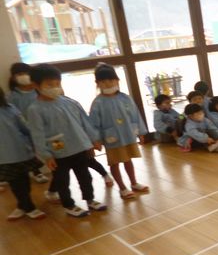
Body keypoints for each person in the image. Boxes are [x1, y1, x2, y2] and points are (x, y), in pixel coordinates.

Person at [27, 64, 106, 217]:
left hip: (79, 148)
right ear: (36, 85)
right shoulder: (35, 109)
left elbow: (85, 122)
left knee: (85, 177)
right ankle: (69, 205)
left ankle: (90, 199)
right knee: (62, 181)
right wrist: (46, 155)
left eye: (57, 83)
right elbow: (37, 135)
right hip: (58, 153)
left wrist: (93, 139)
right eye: (49, 85)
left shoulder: (70, 102)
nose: (55, 88)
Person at [90, 63, 149, 199]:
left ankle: (134, 183)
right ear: (97, 84)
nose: (108, 83)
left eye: (111, 80)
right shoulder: (98, 103)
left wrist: (141, 132)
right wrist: (96, 139)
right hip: (112, 139)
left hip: (128, 135)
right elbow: (93, 124)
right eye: (103, 81)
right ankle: (122, 188)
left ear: (117, 80)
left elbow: (135, 115)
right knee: (115, 163)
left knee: (128, 160)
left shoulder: (125, 98)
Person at [0, 87, 46, 221]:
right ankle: (29, 207)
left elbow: (25, 128)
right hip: (4, 157)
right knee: (15, 182)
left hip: (21, 151)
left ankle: (22, 206)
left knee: (24, 180)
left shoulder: (10, 109)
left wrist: (35, 143)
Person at [7, 62, 49, 184]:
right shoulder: (12, 96)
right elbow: (12, 114)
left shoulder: (38, 91)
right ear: (13, 77)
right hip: (25, 129)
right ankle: (37, 172)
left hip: (44, 125)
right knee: (31, 151)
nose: (24, 76)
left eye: (26, 73)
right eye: (20, 74)